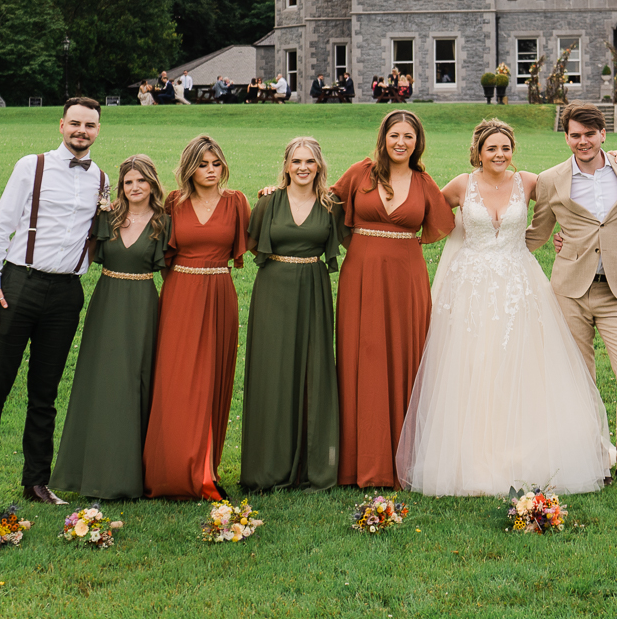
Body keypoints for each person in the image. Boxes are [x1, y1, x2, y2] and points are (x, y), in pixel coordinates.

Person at [398, 118, 615, 495]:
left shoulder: (529, 182)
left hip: (520, 286)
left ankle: (526, 452)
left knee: (526, 365)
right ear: (478, 152)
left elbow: (570, 195)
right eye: (491, 149)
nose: (499, 155)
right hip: (470, 288)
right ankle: (473, 457)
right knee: (474, 366)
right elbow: (420, 205)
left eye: (505, 148)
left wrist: (568, 236)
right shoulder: (461, 185)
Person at [0, 98, 108, 510]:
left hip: (66, 294)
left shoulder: (102, 180)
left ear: (98, 130)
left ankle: (36, 483)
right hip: (18, 285)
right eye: (75, 123)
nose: (82, 131)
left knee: (45, 392)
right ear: (61, 125)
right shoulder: (31, 166)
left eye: (89, 125)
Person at [527, 104, 617, 483]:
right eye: (575, 135)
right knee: (580, 379)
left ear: (603, 135)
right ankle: (595, 461)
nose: (583, 141)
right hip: (568, 291)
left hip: (615, 290)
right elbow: (538, 232)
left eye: (590, 134)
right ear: (566, 137)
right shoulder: (550, 180)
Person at [331, 110, 454, 487]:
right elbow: (322, 200)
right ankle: (359, 461)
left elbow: (457, 218)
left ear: (418, 143)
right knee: (361, 358)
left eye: (409, 137)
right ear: (383, 137)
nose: (401, 142)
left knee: (404, 357)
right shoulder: (360, 173)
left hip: (406, 280)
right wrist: (277, 190)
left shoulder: (423, 181)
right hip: (361, 276)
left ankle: (404, 460)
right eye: (395, 135)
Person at [50, 155, 170, 500]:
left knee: (136, 382)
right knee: (102, 383)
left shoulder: (163, 222)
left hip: (144, 304)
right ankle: (92, 474)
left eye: (141, 181)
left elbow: (169, 273)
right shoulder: (108, 216)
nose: (135, 187)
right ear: (121, 186)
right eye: (129, 182)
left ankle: (132, 475)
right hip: (107, 301)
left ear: (152, 184)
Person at [144, 135, 250, 499]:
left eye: (216, 164)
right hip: (181, 296)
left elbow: (266, 233)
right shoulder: (173, 203)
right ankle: (170, 470)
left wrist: (274, 192)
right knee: (177, 380)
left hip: (220, 294)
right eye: (202, 164)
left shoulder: (237, 202)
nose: (210, 171)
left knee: (213, 381)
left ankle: (207, 469)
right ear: (189, 168)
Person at [241, 138, 343, 491]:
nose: (303, 167)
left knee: (312, 371)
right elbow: (251, 241)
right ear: (286, 165)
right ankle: (268, 467)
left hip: (314, 291)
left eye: (310, 161)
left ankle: (312, 465)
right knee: (273, 371)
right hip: (273, 290)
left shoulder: (331, 204)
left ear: (319, 166)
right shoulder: (269, 202)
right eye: (296, 161)